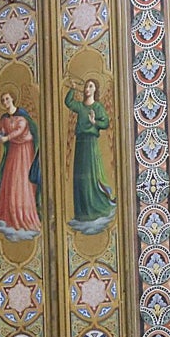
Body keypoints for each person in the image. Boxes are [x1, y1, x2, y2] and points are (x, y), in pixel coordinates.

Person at [65, 79, 116, 232]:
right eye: (86, 86)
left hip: (90, 143)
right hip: (80, 143)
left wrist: (94, 122)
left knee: (90, 176)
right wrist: (72, 89)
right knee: (80, 178)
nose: (87, 88)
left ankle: (97, 207)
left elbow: (105, 123)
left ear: (95, 90)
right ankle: (82, 213)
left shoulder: (97, 107)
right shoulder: (81, 107)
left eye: (91, 86)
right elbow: (68, 103)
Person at [0, 90, 41, 239]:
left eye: (7, 99)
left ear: (13, 99)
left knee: (21, 182)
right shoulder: (4, 119)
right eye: (3, 100)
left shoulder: (22, 117)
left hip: (24, 151)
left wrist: (6, 137)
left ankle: (23, 216)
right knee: (9, 181)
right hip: (13, 151)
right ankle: (8, 216)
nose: (5, 102)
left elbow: (19, 131)